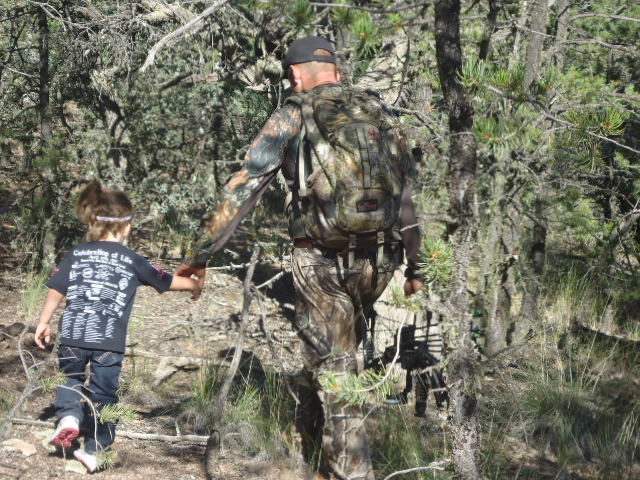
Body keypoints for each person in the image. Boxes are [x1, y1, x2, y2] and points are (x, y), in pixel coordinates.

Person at [174, 35, 424, 480]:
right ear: (337, 71)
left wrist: (199, 255)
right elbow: (409, 194)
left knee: (338, 371)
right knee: (334, 356)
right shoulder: (381, 113)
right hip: (380, 261)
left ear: (294, 73)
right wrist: (417, 266)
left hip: (321, 261)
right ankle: (316, 453)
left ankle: (350, 472)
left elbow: (246, 184)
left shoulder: (294, 112)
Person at [35, 180, 200, 473]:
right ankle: (94, 450)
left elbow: (56, 289)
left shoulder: (77, 253)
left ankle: (69, 417)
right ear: (126, 227)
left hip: (73, 332)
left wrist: (44, 321)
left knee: (69, 377)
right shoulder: (132, 259)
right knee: (103, 393)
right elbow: (166, 280)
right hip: (109, 341)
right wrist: (195, 284)